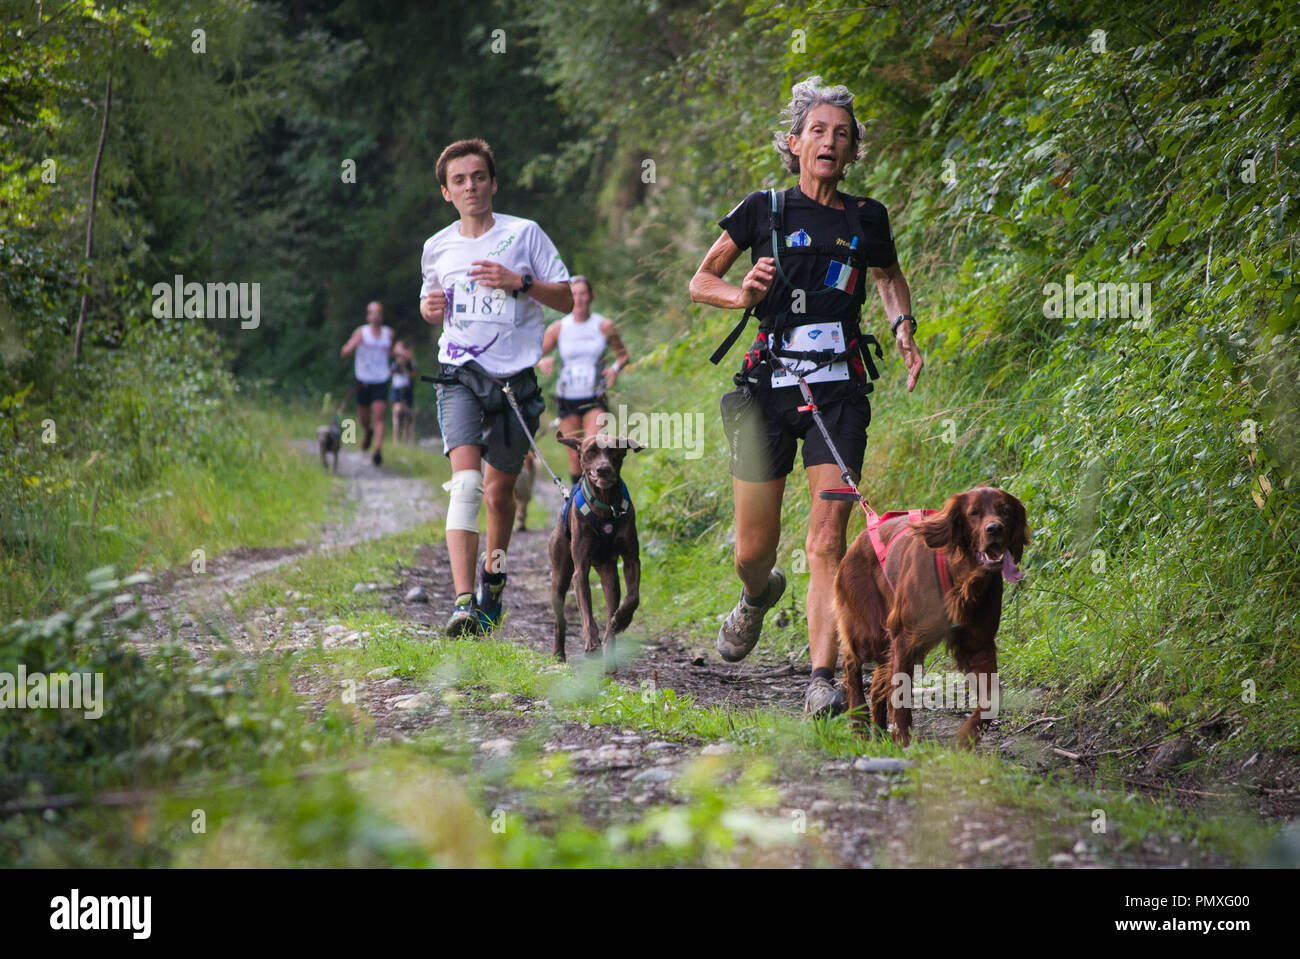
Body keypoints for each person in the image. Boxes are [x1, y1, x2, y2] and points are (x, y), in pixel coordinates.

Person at [688, 76, 925, 718]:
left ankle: (821, 679)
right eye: (817, 131)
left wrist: (903, 327)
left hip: (839, 388)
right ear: (793, 145)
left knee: (826, 539)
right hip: (768, 385)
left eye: (841, 135)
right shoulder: (763, 210)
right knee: (752, 552)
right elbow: (701, 280)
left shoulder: (865, 218)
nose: (829, 141)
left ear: (852, 153)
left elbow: (888, 276)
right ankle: (758, 596)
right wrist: (743, 294)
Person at [419, 138, 574, 636]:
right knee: (465, 486)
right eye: (459, 180)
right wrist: (430, 310)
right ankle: (464, 602)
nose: (471, 186)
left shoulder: (525, 234)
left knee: (499, 493)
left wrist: (520, 282)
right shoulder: (437, 246)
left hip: (516, 381)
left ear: (493, 182)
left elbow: (568, 299)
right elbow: (430, 300)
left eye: (478, 176)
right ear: (446, 191)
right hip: (459, 375)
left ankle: (494, 577)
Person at [536, 275, 630, 484]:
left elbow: (623, 355)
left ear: (591, 297)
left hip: (594, 397)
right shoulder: (559, 327)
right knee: (576, 456)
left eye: (583, 294)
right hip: (567, 398)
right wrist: (542, 361)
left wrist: (614, 369)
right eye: (573, 294)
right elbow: (533, 354)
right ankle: (577, 505)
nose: (578, 299)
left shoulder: (604, 326)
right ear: (568, 298)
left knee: (593, 447)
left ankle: (598, 502)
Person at [340, 300, 394, 467]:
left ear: (382, 316)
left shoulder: (388, 333)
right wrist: (351, 347)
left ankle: (377, 451)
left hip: (381, 380)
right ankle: (368, 431)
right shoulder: (361, 333)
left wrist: (398, 357)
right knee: (363, 418)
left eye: (378, 313)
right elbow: (344, 351)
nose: (375, 316)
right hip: (363, 380)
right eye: (372, 313)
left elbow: (391, 353)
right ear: (368, 316)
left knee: (378, 416)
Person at [390, 339, 417, 444]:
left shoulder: (410, 364)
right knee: (397, 411)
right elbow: (390, 372)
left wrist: (405, 367)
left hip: (407, 390)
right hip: (397, 389)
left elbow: (414, 375)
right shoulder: (394, 363)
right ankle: (396, 438)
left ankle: (407, 438)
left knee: (407, 414)